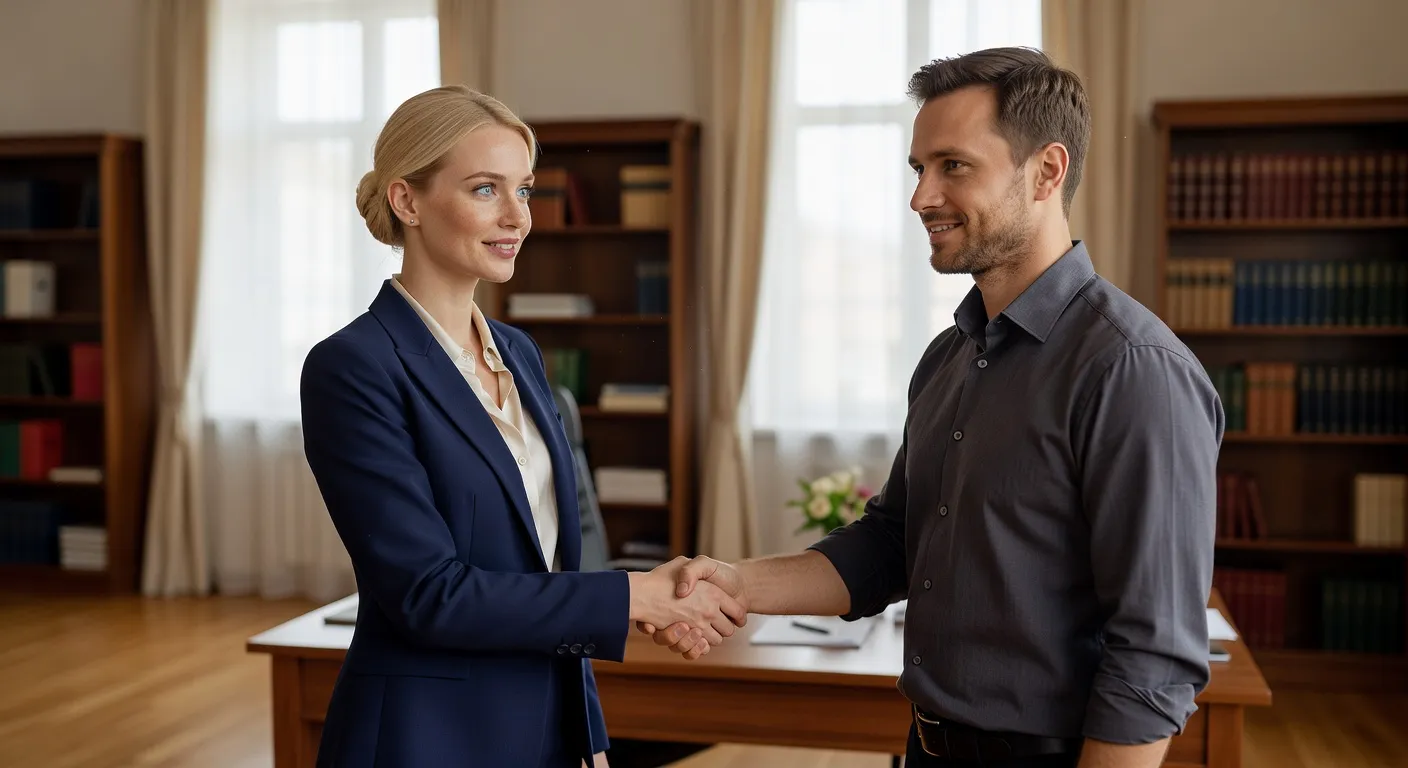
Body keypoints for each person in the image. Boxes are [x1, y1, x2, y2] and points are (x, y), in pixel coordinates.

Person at [642, 47, 1224, 767]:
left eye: (953, 166)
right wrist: (733, 581)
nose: (921, 197)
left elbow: (1154, 655)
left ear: (1047, 171)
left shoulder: (1134, 369)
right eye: (919, 169)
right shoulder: (948, 359)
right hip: (925, 747)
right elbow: (890, 545)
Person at [299, 84, 744, 768]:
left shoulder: (522, 354)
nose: (517, 217)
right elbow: (427, 594)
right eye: (485, 189)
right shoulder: (352, 368)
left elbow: (549, 564)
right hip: (428, 738)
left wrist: (588, 732)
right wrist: (635, 596)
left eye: (526, 190)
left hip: (549, 730)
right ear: (407, 201)